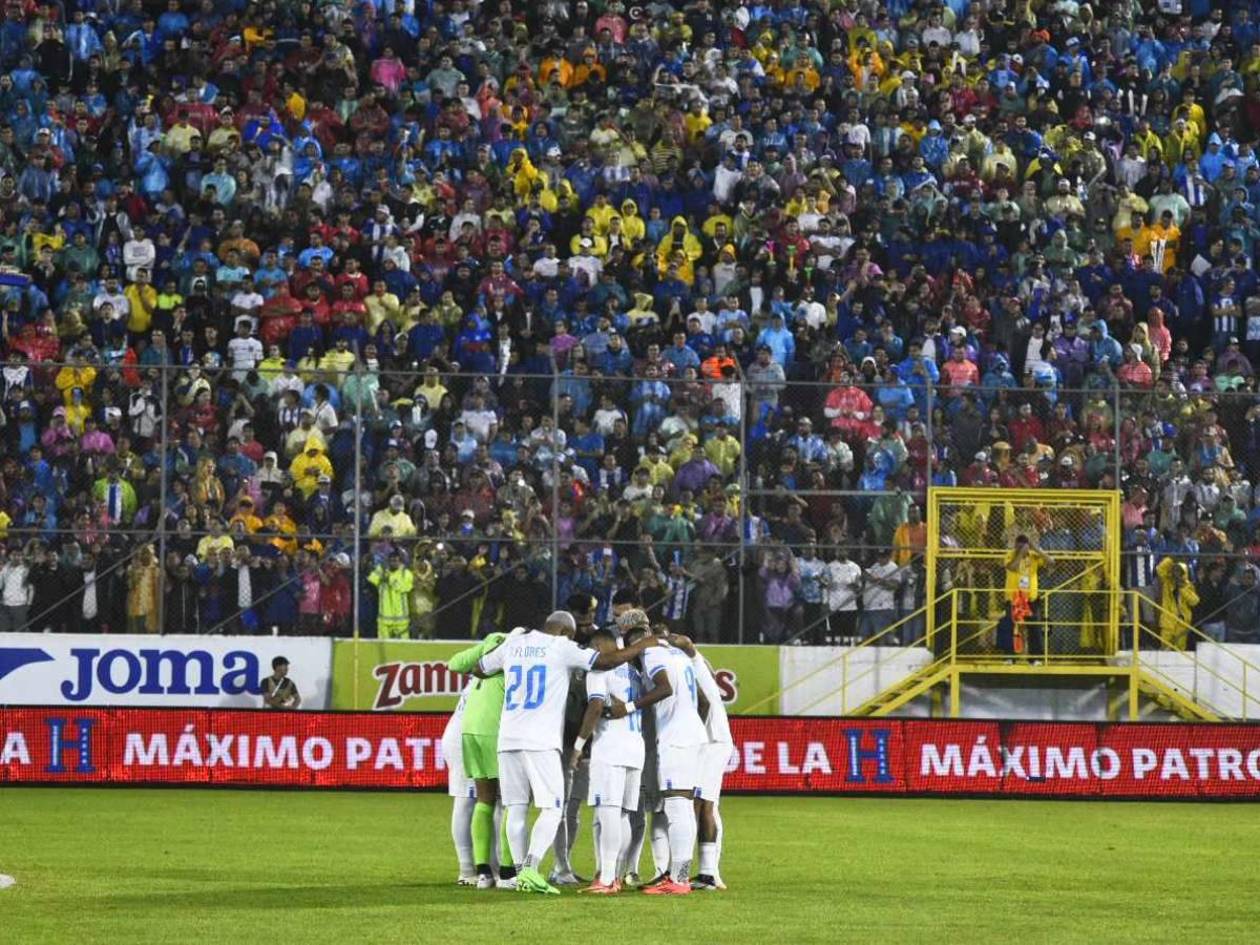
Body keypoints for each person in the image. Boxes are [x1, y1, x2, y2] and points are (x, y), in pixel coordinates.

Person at [473, 610, 658, 895]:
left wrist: (510, 655)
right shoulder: (561, 647)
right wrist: (641, 645)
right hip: (541, 740)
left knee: (516, 807)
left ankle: (521, 873)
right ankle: (530, 869)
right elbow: (606, 661)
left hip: (507, 737)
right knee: (552, 807)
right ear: (565, 632)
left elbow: (479, 668)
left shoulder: (514, 644)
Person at [605, 618, 708, 896]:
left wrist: (626, 707)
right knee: (683, 806)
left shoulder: (650, 653)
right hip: (694, 735)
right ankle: (678, 877)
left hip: (678, 739)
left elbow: (665, 687)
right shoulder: (678, 654)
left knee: (676, 807)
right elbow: (705, 699)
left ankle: (678, 880)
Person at [568, 627, 644, 894]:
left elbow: (596, 706)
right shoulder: (633, 671)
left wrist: (578, 746)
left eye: (591, 649)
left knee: (609, 812)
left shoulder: (599, 670)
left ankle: (607, 878)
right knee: (622, 814)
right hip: (636, 748)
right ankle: (616, 875)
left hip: (611, 747)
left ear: (600, 647)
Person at [446, 633, 516, 890]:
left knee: (486, 802)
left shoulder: (486, 660)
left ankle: (486, 869)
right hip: (485, 731)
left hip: (465, 729)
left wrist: (484, 647)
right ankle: (476, 870)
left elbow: (454, 663)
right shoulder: (510, 663)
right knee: (495, 800)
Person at [439, 683, 477, 886]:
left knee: (487, 803)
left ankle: (489, 868)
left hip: (472, 735)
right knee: (466, 801)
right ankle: (466, 870)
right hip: (464, 739)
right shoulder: (498, 666)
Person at [1002, 535, 1055, 657]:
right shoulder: (1010, 555)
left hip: (1030, 598)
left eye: (1023, 546)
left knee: (1034, 628)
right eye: (1018, 546)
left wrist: (1036, 549)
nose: (1020, 548)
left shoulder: (1033, 556)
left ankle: (1035, 657)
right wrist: (1020, 554)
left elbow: (1051, 562)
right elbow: (1012, 568)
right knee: (1010, 627)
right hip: (1014, 597)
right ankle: (1009, 656)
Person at [367, 550, 415, 639]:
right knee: (384, 645)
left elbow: (405, 588)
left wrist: (389, 578)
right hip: (384, 617)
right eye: (391, 561)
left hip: (401, 619)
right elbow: (371, 579)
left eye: (396, 561)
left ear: (400, 562)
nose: (393, 563)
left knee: (403, 645)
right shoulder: (382, 570)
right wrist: (381, 572)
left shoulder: (406, 573)